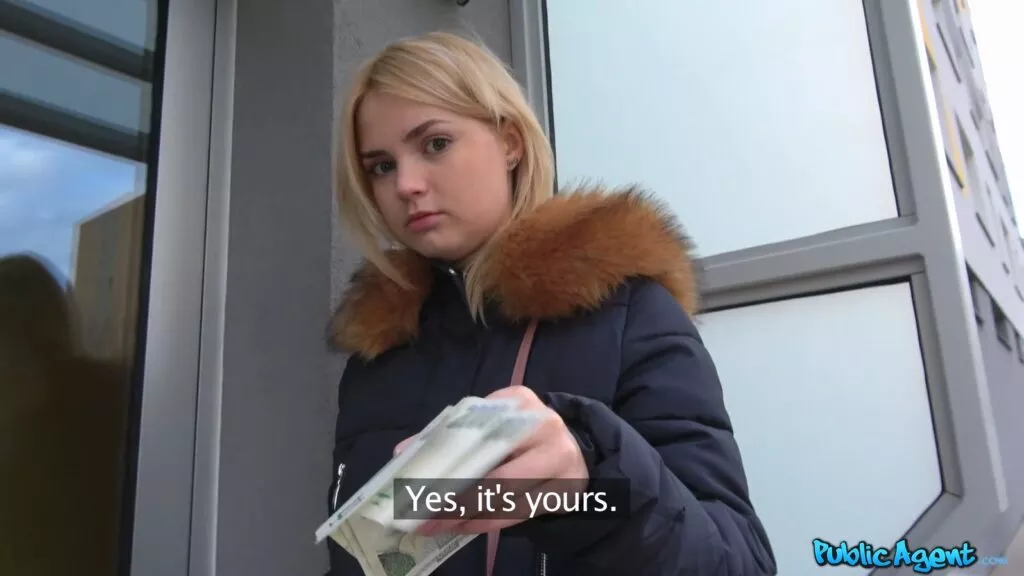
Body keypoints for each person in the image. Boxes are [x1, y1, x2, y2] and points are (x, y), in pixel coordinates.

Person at [327, 30, 776, 576]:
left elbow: (735, 563)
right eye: (381, 166)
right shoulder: (379, 356)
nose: (406, 184)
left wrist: (590, 485)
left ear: (510, 142)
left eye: (435, 144)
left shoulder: (630, 317)